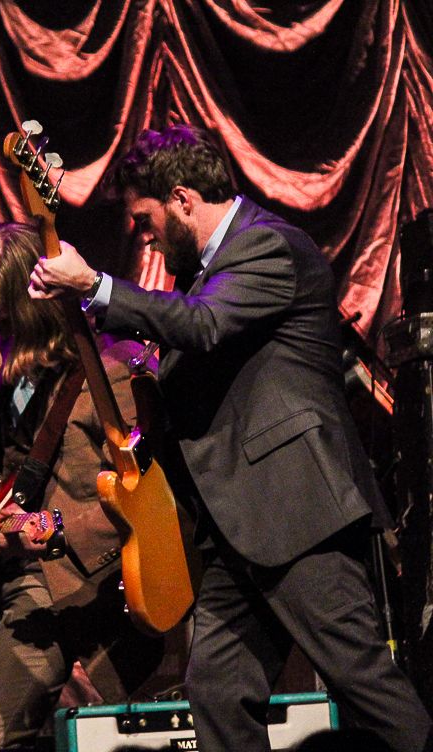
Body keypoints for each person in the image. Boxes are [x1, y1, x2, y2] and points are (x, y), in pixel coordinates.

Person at [28, 125, 433, 752]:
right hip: (236, 524)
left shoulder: (268, 245)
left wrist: (96, 286)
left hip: (296, 512)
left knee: (363, 683)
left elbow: (204, 326)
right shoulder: (206, 270)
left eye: (145, 218)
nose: (143, 235)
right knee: (218, 693)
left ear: (182, 199)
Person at [0, 222, 176, 751]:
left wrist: (55, 529)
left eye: (7, 322)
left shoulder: (116, 368)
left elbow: (156, 493)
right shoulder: (7, 374)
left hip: (62, 577)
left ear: (40, 306)